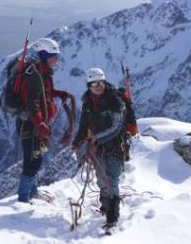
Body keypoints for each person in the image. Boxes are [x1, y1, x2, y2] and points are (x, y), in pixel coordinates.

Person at [15, 37, 73, 203]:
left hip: (35, 124)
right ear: (44, 55)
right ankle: (24, 198)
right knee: (33, 160)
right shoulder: (34, 75)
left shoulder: (43, 72)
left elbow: (44, 94)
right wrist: (39, 122)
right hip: (30, 125)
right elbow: (31, 102)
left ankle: (32, 192)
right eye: (53, 56)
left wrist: (58, 93)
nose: (57, 59)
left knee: (36, 157)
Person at [70, 68, 127, 230]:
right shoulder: (87, 103)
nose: (98, 86)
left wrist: (97, 138)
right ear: (89, 85)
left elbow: (117, 126)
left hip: (115, 146)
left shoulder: (114, 100)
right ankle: (105, 204)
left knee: (112, 179)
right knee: (102, 180)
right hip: (97, 148)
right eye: (94, 83)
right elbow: (83, 126)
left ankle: (112, 216)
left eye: (100, 83)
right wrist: (77, 142)